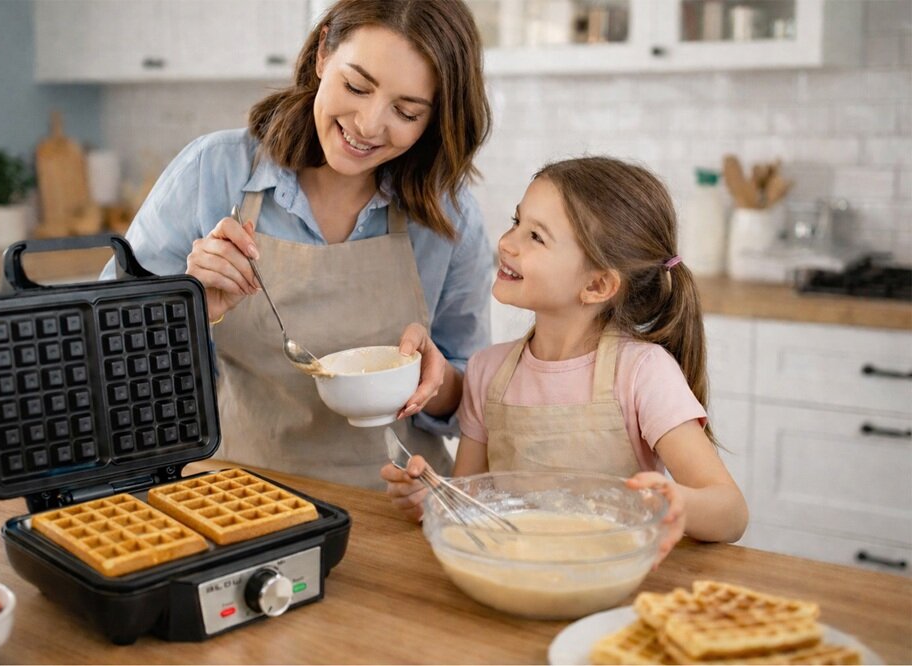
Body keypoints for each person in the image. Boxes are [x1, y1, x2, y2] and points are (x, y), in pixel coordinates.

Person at [102, 0, 493, 487]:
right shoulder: (213, 172)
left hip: (399, 506)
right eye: (356, 86)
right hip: (236, 493)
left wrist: (434, 382)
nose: (369, 125)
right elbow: (105, 358)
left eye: (406, 111)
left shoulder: (449, 215)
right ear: (322, 53)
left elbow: (472, 400)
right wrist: (189, 305)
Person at [382, 156, 749, 566]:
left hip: (610, 584)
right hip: (511, 578)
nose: (507, 241)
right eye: (516, 221)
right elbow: (471, 503)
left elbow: (731, 513)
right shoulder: (487, 372)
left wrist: (675, 502)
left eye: (536, 237)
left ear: (597, 284)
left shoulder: (642, 373)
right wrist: (433, 498)